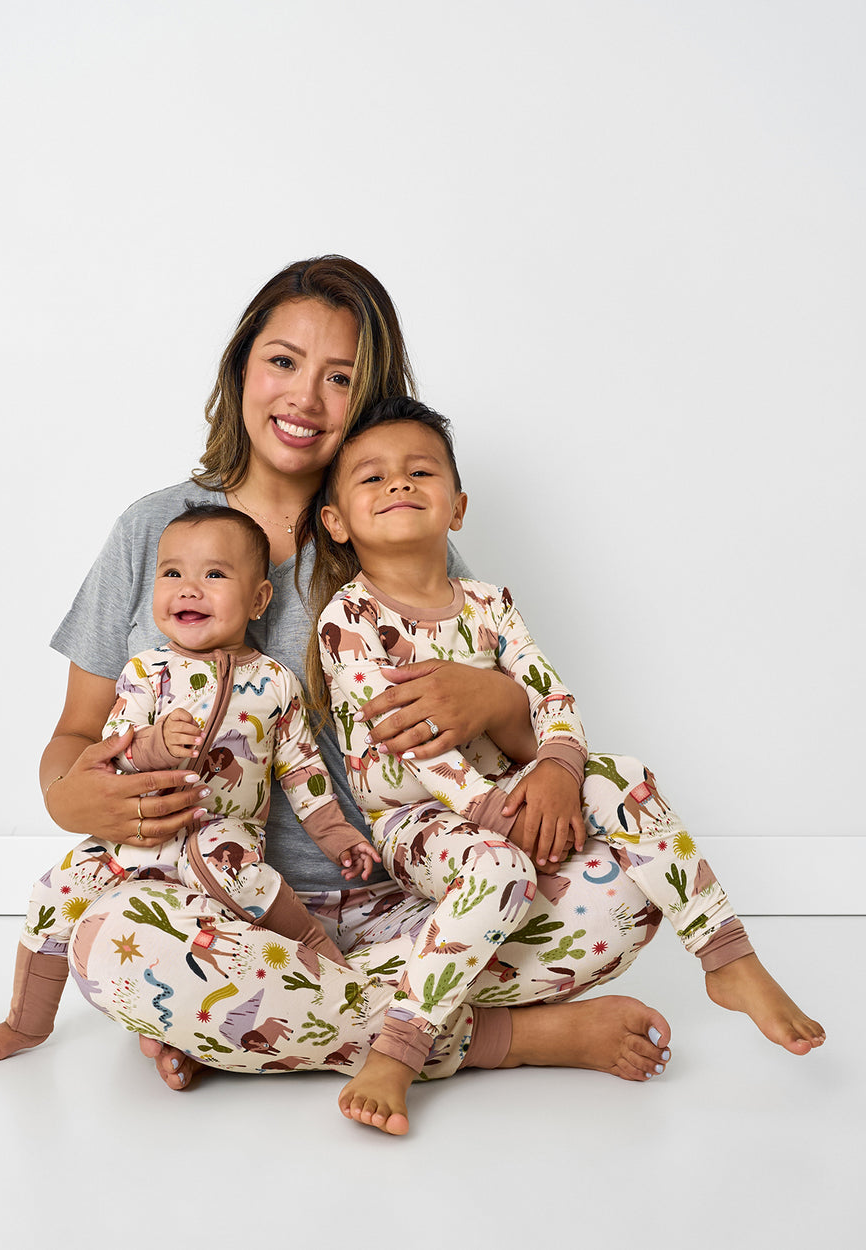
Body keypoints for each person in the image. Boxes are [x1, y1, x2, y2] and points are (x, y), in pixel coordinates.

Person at [0, 256, 824, 1138]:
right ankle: (504, 1036)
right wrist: (74, 795)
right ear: (240, 367)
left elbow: (520, 739)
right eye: (283, 361)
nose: (305, 397)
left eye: (342, 378)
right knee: (118, 949)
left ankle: (258, 1029)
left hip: (413, 896)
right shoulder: (154, 529)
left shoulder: (397, 525)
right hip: (218, 902)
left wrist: (493, 702)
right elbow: (72, 737)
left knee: (631, 889)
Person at [310, 395, 821, 1130]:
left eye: (419, 472)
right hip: (415, 817)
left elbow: (548, 693)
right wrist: (496, 816)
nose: (397, 485)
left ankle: (725, 955)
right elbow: (410, 744)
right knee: (499, 869)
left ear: (456, 507)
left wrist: (558, 767)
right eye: (372, 478)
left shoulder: (489, 602)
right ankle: (399, 1047)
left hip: (505, 795)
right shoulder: (348, 620)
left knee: (625, 773)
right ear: (337, 521)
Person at [0, 503, 380, 1057]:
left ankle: (322, 961)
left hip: (223, 837)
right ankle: (26, 1022)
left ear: (258, 599)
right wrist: (151, 746)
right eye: (172, 573)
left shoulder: (276, 683)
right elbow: (110, 753)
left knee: (243, 883)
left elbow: (303, 769)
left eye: (214, 574)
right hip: (137, 839)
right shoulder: (145, 673)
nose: (189, 589)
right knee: (54, 892)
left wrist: (336, 836)